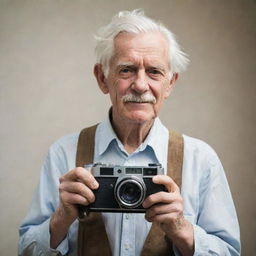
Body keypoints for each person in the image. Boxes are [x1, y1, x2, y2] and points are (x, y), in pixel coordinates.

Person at [18, 9, 241, 256]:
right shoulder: (63, 153)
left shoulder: (201, 159)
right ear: (102, 78)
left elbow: (230, 252)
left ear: (171, 83)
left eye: (154, 72)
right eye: (126, 70)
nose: (141, 85)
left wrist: (181, 228)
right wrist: (61, 218)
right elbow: (25, 251)